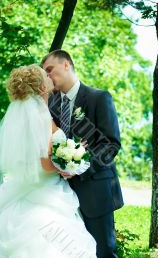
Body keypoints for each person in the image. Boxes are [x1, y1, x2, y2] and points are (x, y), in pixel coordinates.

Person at [0, 64, 97, 257]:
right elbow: (43, 163)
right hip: (45, 190)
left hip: (24, 186)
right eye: (45, 76)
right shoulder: (41, 116)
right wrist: (70, 164)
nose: (50, 77)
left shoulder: (25, 115)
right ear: (42, 87)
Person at [42, 50, 124, 258]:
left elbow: (111, 145)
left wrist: (80, 165)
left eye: (50, 69)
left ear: (67, 64)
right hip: (60, 195)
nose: (47, 76)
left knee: (103, 251)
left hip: (95, 189)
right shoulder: (49, 104)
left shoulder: (99, 98)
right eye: (44, 72)